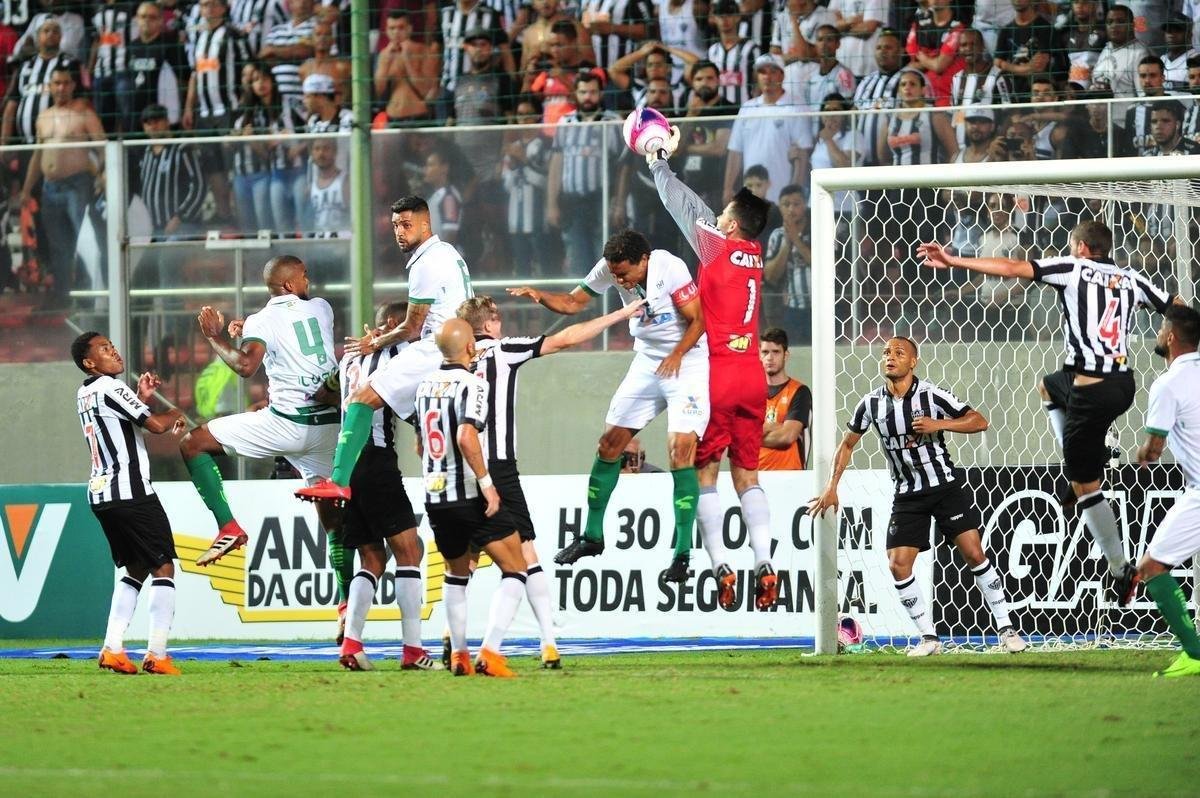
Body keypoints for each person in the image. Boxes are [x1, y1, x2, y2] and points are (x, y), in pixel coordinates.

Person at [916, 220, 1178, 607]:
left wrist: (955, 260)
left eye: (1073, 244)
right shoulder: (1131, 278)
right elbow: (1178, 308)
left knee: (1087, 486)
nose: (1071, 249)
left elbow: (1012, 269)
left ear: (1084, 248)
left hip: (1091, 391)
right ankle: (1084, 453)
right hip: (1121, 383)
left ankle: (1121, 568)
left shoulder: (1074, 268)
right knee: (1049, 386)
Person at [457, 294, 648, 668]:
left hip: (459, 468)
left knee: (463, 560)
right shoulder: (502, 350)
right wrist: (621, 314)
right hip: (496, 466)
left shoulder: (449, 359)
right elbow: (567, 337)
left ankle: (454, 642)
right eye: (498, 320)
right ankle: (547, 642)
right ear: (490, 324)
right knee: (525, 554)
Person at [809, 336, 1027, 656]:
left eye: (899, 353)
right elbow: (847, 444)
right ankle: (929, 638)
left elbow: (979, 421)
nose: (890, 357)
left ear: (913, 362)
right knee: (898, 564)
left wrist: (939, 423)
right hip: (908, 495)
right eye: (885, 352)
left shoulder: (932, 395)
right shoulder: (871, 403)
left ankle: (1006, 628)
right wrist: (831, 487)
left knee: (974, 554)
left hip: (944, 487)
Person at [508, 229, 708, 577]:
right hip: (647, 361)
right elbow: (572, 303)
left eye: (624, 274)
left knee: (680, 450)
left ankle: (682, 554)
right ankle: (592, 535)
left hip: (686, 361)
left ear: (643, 260)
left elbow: (699, 320)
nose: (618, 280)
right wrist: (539, 295)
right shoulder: (609, 267)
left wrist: (677, 353)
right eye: (614, 274)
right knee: (609, 443)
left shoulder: (670, 267)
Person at [649, 128, 782, 605]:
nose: (717, 218)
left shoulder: (717, 247)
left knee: (706, 475)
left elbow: (684, 208)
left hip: (721, 374)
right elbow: (705, 214)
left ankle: (720, 565)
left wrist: (657, 162)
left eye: (723, 215)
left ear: (729, 226)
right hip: (754, 378)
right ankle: (764, 561)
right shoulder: (754, 254)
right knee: (749, 475)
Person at [179, 255, 344, 608]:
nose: (308, 281)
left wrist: (215, 336)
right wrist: (253, 329)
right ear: (289, 285)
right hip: (330, 425)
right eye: (304, 276)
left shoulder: (263, 320)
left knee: (193, 443)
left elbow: (244, 365)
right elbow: (293, 340)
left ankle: (228, 527)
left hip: (287, 424)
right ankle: (346, 607)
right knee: (334, 524)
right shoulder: (322, 308)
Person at [296, 195, 473, 506]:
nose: (400, 232)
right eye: (395, 225)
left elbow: (412, 328)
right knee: (432, 419)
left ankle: (338, 482)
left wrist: (373, 342)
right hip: (457, 348)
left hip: (436, 347)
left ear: (425, 224)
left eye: (406, 224)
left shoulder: (425, 262)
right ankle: (464, 486)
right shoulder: (447, 252)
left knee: (362, 398)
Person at [312, 301, 438, 671]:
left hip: (347, 462)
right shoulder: (404, 353)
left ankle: (351, 645)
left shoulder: (348, 360)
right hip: (376, 458)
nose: (423, 330)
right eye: (417, 324)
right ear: (398, 325)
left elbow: (324, 393)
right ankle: (413, 651)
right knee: (410, 552)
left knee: (372, 559)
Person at [411, 318, 530, 677]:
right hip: (467, 492)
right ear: (470, 348)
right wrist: (486, 483)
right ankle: (490, 653)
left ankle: (459, 654)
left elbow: (421, 445)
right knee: (516, 568)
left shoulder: (424, 386)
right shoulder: (473, 384)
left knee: (456, 574)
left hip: (435, 495)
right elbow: (466, 436)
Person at [73, 332, 187, 676]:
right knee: (163, 566)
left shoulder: (85, 392)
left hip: (101, 494)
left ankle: (112, 648)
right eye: (105, 350)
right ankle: (157, 653)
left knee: (135, 567)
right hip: (132, 491)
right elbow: (154, 425)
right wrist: (176, 412)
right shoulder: (110, 386)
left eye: (113, 346)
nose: (115, 352)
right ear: (90, 362)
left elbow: (119, 423)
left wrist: (140, 397)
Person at [1134, 303, 1200, 679]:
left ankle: (1194, 654)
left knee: (1152, 568)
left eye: (1161, 328)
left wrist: (1141, 453)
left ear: (1171, 338)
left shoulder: (1167, 383)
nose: (1158, 333)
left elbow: (1153, 450)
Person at [19, 64, 104, 307]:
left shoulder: (84, 113)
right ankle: (62, 295)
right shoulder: (43, 117)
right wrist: (26, 189)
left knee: (84, 241)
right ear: (49, 86)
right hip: (50, 187)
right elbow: (37, 154)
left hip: (77, 184)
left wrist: (101, 175)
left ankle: (89, 296)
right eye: (56, 83)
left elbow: (102, 147)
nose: (61, 88)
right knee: (58, 245)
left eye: (66, 83)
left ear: (73, 85)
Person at [723, 54, 811, 205]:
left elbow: (802, 155)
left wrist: (794, 192)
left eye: (773, 71)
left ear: (782, 75)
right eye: (762, 72)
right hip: (751, 194)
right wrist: (727, 188)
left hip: (782, 195)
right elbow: (735, 152)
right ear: (757, 76)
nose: (767, 77)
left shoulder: (796, 107)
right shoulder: (747, 108)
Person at [125, 2, 187, 130]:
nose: (146, 21)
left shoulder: (170, 46)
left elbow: (184, 80)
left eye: (152, 17)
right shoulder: (132, 47)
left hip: (162, 118)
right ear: (136, 19)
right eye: (142, 16)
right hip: (136, 115)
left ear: (160, 20)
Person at [758, 327, 810, 471]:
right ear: (759, 355)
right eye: (765, 352)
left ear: (785, 355)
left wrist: (753, 435)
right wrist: (777, 426)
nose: (770, 357)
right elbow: (738, 437)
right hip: (754, 478)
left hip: (791, 478)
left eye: (776, 352)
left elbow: (787, 437)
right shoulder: (750, 393)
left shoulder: (799, 392)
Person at [373, 11, 436, 127]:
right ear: (386, 31)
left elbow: (425, 90)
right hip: (392, 117)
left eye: (401, 28)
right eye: (392, 28)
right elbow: (378, 91)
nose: (396, 32)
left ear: (409, 29)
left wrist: (408, 61)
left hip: (418, 116)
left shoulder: (424, 51)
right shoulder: (384, 55)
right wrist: (386, 64)